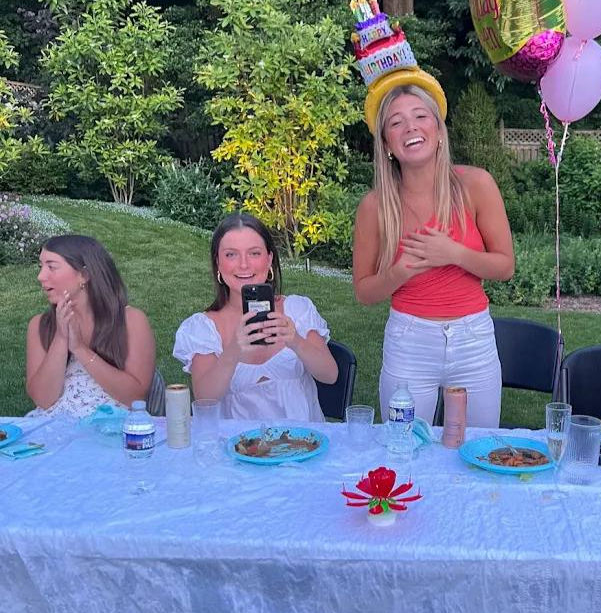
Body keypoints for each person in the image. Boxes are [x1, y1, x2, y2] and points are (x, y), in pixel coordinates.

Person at [353, 84, 515, 426]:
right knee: (405, 449)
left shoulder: (476, 185)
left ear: (439, 131)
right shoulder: (374, 206)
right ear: (387, 145)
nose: (410, 127)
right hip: (409, 342)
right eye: (396, 122)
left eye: (420, 116)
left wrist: (452, 252)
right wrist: (400, 272)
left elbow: (505, 266)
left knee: (478, 450)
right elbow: (364, 292)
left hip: (473, 339)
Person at [173, 213, 337, 421]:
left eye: (254, 253)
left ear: (269, 259)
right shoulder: (202, 328)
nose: (244, 265)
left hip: (303, 443)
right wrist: (233, 350)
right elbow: (206, 399)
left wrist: (295, 341)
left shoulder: (297, 309)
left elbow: (330, 375)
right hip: (236, 448)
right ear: (218, 264)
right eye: (231, 255)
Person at [26, 234, 156, 418]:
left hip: (113, 432)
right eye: (41, 266)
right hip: (52, 431)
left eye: (51, 267)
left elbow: (134, 397)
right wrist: (61, 339)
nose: (41, 276)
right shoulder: (40, 325)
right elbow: (43, 400)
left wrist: (79, 348)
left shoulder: (131, 321)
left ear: (84, 275)